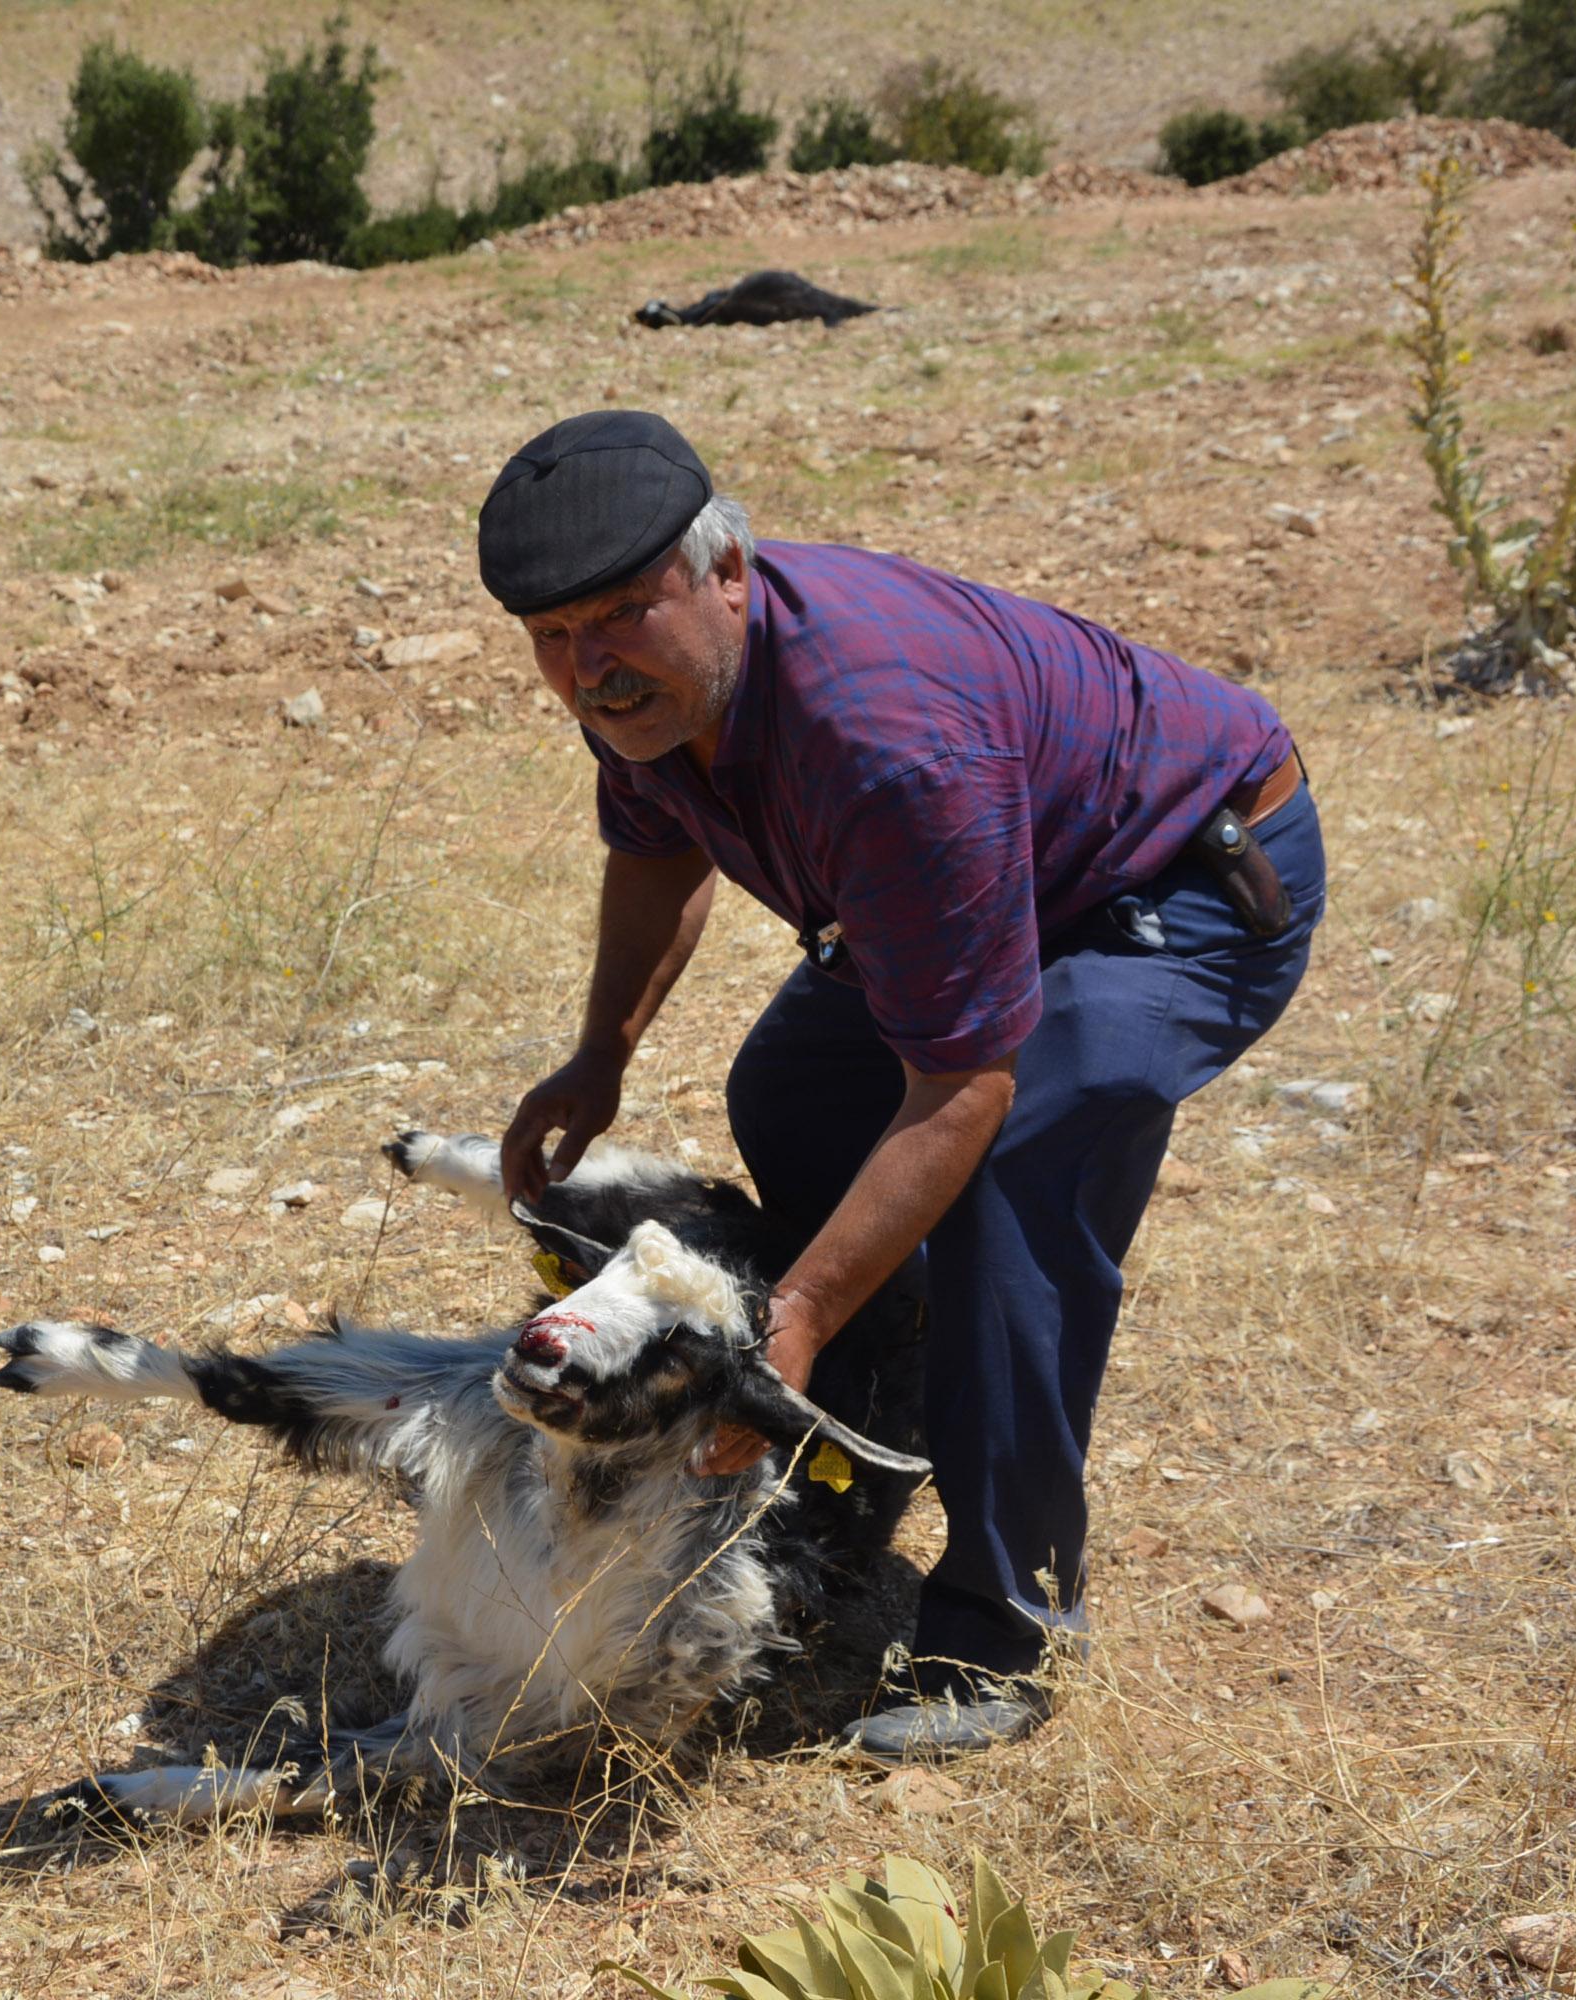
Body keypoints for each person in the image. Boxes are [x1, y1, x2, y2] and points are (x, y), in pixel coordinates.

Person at [479, 410, 1324, 1761]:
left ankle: (1009, 1622)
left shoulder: (884, 736)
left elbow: (962, 1086)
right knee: (797, 1095)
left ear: (731, 571)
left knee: (1014, 1177)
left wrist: (804, 1307)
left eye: (625, 614)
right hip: (1003, 868)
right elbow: (657, 848)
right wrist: (603, 1050)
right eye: (554, 636)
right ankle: (916, 1390)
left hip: (1172, 884)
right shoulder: (639, 686)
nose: (589, 666)